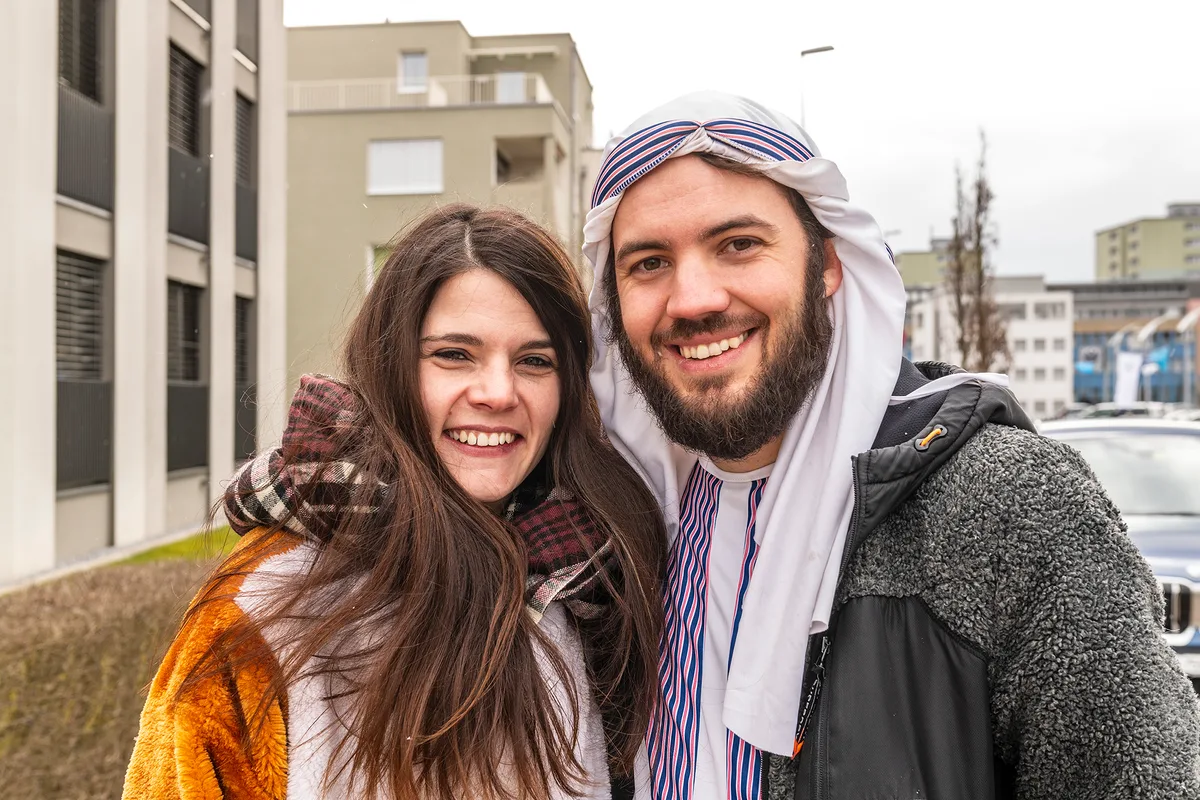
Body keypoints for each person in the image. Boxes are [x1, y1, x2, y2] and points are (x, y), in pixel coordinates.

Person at [584, 92, 1200, 799]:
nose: (692, 299)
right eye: (649, 263)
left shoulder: (1005, 508)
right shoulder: (622, 530)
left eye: (739, 244)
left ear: (828, 266)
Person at [122, 205, 668, 800]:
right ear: (391, 367)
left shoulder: (592, 583)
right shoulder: (261, 606)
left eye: (535, 361)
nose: (497, 393)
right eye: (454, 355)